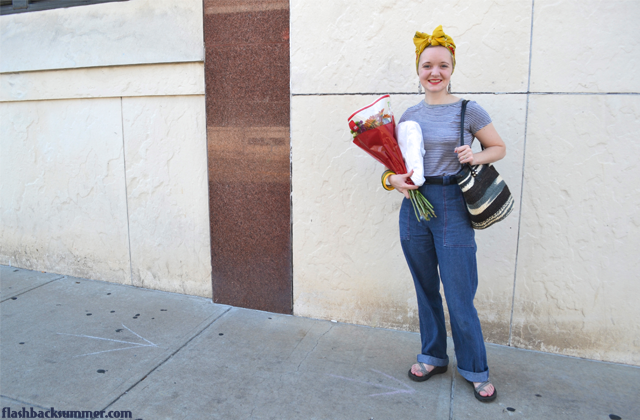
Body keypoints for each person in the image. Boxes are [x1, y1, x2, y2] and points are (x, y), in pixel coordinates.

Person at [386, 26, 505, 403]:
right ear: (418, 69)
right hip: (415, 206)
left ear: (452, 68)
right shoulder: (408, 114)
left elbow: (497, 147)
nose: (434, 72)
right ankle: (433, 355)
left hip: (454, 203)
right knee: (425, 289)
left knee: (458, 293)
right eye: (427, 65)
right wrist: (393, 179)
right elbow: (394, 165)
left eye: (443, 65)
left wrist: (476, 154)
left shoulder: (469, 110)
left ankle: (474, 367)